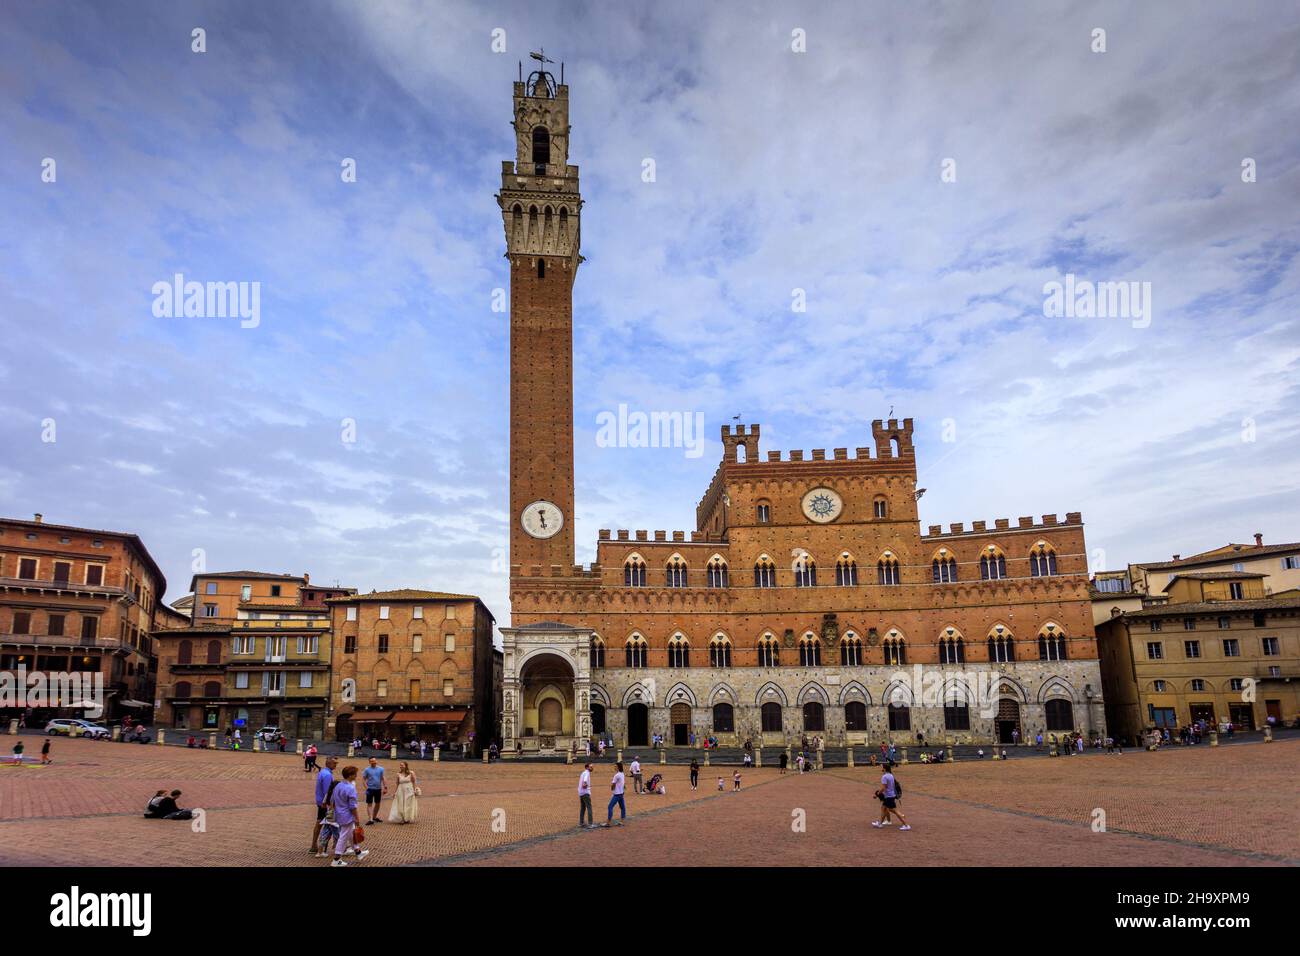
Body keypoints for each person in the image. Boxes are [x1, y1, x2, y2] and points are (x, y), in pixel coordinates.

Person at [330, 766, 369, 865]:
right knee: (343, 836)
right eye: (355, 774)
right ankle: (336, 859)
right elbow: (352, 806)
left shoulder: (338, 785)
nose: (356, 775)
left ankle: (358, 852)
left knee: (350, 834)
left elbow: (333, 800)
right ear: (351, 775)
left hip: (339, 813)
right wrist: (356, 818)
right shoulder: (350, 788)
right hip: (347, 815)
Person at [871, 764, 911, 831]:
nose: (881, 769)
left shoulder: (884, 777)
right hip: (891, 795)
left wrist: (877, 794)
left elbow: (884, 788)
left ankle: (906, 825)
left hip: (889, 796)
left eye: (882, 768)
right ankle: (880, 823)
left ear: (885, 769)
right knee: (883, 808)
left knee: (895, 810)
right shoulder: (891, 775)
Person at [311, 756, 338, 852]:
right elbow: (328, 792)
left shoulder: (323, 772)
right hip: (324, 803)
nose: (336, 765)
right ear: (328, 763)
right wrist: (330, 804)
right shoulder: (327, 775)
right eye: (334, 763)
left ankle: (315, 845)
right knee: (327, 825)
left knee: (320, 823)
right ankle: (319, 847)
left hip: (321, 801)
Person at [362, 756, 387, 824]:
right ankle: (370, 819)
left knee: (377, 803)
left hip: (378, 789)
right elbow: (363, 779)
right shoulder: (367, 770)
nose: (373, 762)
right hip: (370, 789)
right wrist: (367, 788)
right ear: (369, 762)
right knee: (369, 804)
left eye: (374, 760)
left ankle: (374, 817)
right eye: (372, 761)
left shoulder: (381, 769)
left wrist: (385, 787)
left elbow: (383, 778)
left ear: (376, 761)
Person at [603, 762, 626, 827]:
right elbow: (623, 784)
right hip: (621, 793)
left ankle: (608, 822)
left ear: (618, 767)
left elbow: (613, 784)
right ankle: (622, 821)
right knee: (622, 807)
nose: (614, 767)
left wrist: (612, 789)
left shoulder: (617, 775)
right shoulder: (622, 774)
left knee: (610, 806)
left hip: (617, 794)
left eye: (615, 766)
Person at [578, 762, 594, 828]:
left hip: (581, 793)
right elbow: (584, 783)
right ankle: (590, 823)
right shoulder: (587, 773)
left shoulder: (583, 773)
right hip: (585, 793)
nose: (592, 768)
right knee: (589, 807)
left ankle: (581, 822)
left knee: (583, 808)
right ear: (587, 767)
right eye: (591, 767)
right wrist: (587, 786)